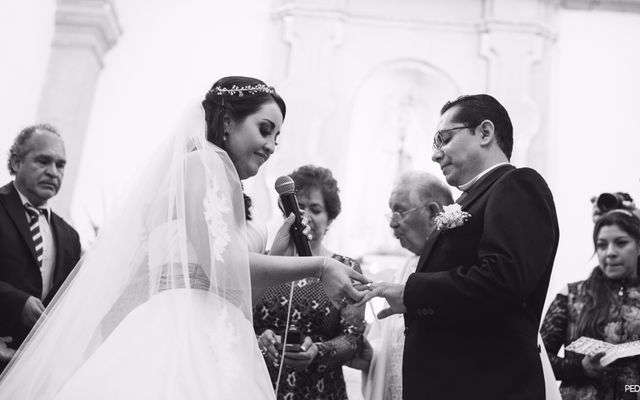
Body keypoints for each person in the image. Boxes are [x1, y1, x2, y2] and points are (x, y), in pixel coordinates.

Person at [0, 77, 368, 399]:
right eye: (264, 129)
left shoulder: (222, 183)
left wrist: (276, 254)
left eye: (277, 137)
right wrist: (320, 264)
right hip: (183, 335)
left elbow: (229, 285)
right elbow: (222, 266)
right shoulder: (200, 167)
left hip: (221, 332)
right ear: (227, 121)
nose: (272, 145)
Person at [358, 94, 559, 400]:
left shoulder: (516, 185)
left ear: (485, 133)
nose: (436, 155)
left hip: (487, 386)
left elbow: (502, 279)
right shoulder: (470, 199)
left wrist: (411, 291)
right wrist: (415, 305)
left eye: (444, 139)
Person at [253, 165, 366, 399]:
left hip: (321, 390)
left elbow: (352, 338)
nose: (305, 215)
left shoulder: (347, 268)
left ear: (330, 218)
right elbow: (236, 318)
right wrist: (260, 341)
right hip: (259, 384)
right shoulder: (263, 261)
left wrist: (318, 351)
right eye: (299, 207)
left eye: (315, 209)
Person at [362, 171, 452, 400]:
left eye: (399, 211)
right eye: (390, 212)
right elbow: (386, 348)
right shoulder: (405, 269)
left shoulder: (462, 272)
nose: (393, 225)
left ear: (433, 212)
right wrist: (365, 352)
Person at [0, 125, 81, 372]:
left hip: (29, 371)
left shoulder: (70, 237)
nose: (52, 172)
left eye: (60, 165)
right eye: (43, 161)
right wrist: (17, 302)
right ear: (16, 163)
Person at [541, 210, 640, 399]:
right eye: (602, 245)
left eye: (621, 243)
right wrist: (580, 368)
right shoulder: (571, 295)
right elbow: (539, 358)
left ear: (638, 246)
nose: (610, 252)